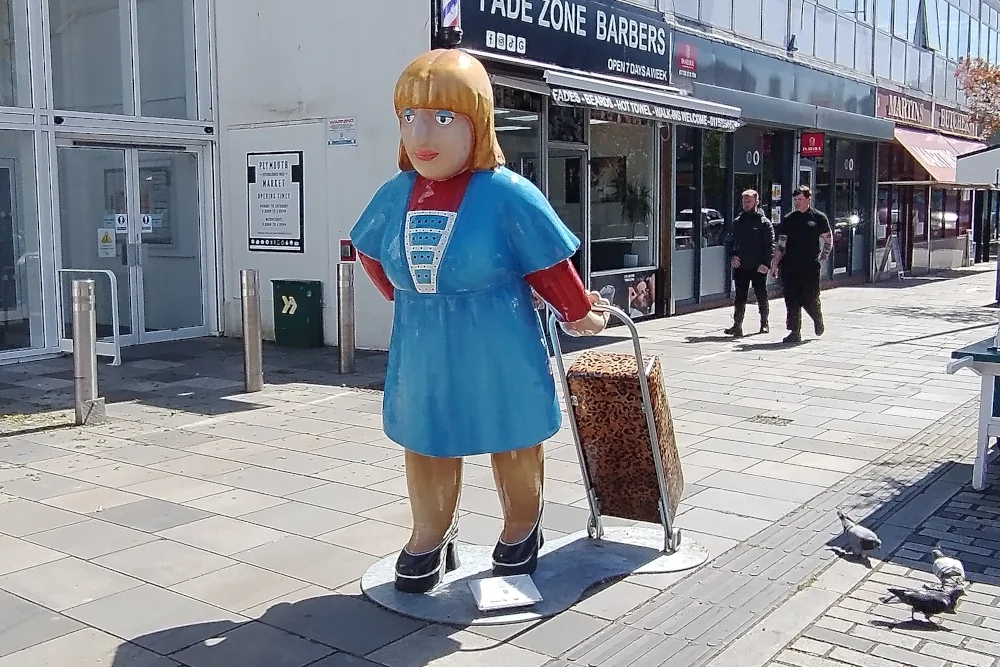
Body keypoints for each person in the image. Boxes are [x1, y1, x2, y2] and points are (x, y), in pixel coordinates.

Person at [350, 49, 611, 594]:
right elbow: (369, 248)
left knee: (512, 434)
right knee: (426, 438)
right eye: (410, 117)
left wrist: (578, 309)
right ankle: (431, 533)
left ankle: (522, 525)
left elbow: (548, 263)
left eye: (444, 118)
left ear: (479, 123)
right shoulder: (396, 193)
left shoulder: (505, 193)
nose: (424, 133)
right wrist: (407, 296)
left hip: (499, 340)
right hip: (424, 345)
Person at [771, 185, 833, 344]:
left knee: (810, 297)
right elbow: (781, 244)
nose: (797, 203)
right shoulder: (789, 219)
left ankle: (817, 318)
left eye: (800, 199)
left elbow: (828, 239)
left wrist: (823, 257)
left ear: (808, 199)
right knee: (791, 298)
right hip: (790, 264)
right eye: (795, 200)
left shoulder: (818, 217)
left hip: (810, 265)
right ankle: (794, 331)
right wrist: (775, 264)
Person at [724, 189, 774, 337]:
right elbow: (729, 242)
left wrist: (766, 264)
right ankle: (737, 326)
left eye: (749, 201)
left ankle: (764, 323)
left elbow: (770, 245)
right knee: (740, 296)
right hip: (741, 266)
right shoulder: (738, 222)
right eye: (744, 201)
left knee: (761, 295)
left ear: (756, 202)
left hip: (759, 266)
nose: (746, 204)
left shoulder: (764, 223)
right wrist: (732, 256)